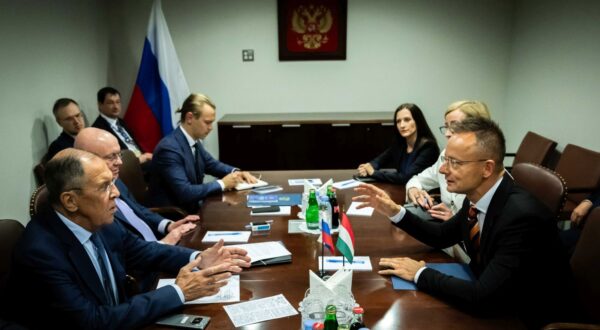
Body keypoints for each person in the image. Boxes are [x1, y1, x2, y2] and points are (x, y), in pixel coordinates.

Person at [353, 117, 576, 327]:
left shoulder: (522, 218)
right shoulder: (479, 197)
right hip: (494, 297)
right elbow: (441, 235)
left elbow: (482, 298)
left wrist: (419, 274)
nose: (442, 169)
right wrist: (394, 211)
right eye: (445, 160)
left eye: (455, 162)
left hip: (526, 318)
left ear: (487, 168)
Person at [6, 149, 250, 329]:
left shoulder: (97, 220)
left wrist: (199, 258)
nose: (116, 193)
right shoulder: (41, 252)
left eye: (112, 182)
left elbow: (145, 251)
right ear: (70, 201)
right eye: (104, 187)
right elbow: (93, 322)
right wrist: (179, 292)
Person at [74, 127, 198, 245]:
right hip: (145, 259)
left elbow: (137, 210)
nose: (120, 162)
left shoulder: (114, 179)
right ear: (88, 159)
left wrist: (168, 225)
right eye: (111, 157)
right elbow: (124, 250)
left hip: (157, 244)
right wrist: (164, 243)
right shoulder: (91, 202)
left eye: (119, 155)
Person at [148, 93, 257, 213]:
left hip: (195, 209)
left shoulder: (193, 141)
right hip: (177, 217)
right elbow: (185, 192)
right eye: (207, 122)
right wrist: (222, 183)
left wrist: (236, 173)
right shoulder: (169, 149)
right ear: (190, 118)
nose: (211, 128)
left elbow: (212, 164)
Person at [405, 100, 491, 221]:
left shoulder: (485, 168)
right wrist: (414, 190)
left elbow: (487, 226)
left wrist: (456, 221)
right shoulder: (445, 154)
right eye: (446, 127)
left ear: (478, 129)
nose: (447, 133)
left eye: (455, 126)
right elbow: (418, 179)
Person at [356, 103, 439, 184]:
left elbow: (407, 177)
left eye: (407, 120)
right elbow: (379, 161)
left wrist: (374, 173)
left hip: (423, 194)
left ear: (417, 121)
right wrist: (367, 167)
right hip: (402, 190)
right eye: (398, 121)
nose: (402, 125)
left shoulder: (429, 147)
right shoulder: (400, 144)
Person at [92, 87, 152, 166]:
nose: (115, 106)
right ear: (100, 105)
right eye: (110, 103)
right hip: (128, 168)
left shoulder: (121, 122)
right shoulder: (98, 129)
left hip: (142, 162)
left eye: (118, 102)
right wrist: (140, 159)